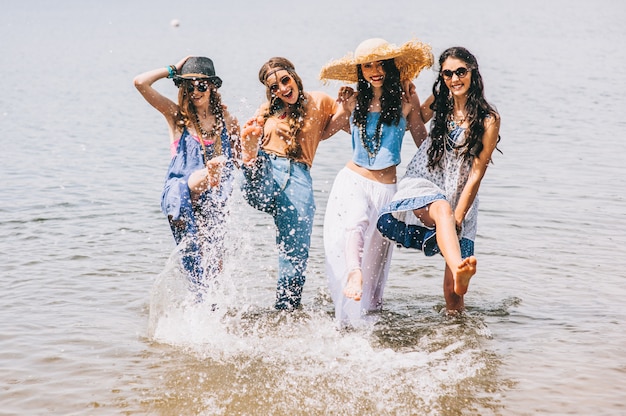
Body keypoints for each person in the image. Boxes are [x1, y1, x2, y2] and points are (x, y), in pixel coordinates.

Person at [319, 38, 433, 327]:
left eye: (380, 63)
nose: (375, 70)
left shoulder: (406, 102)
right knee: (354, 224)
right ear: (360, 71)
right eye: (367, 65)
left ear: (391, 66)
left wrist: (418, 106)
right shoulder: (355, 100)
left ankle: (364, 319)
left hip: (386, 188)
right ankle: (352, 273)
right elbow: (323, 134)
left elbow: (422, 143)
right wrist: (343, 111)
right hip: (353, 178)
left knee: (378, 258)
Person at [377, 46, 501, 312]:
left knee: (452, 295)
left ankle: (457, 331)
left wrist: (461, 214)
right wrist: (411, 96)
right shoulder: (439, 100)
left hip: (460, 193)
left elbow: (477, 173)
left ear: (473, 73)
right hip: (425, 180)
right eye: (447, 73)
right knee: (442, 210)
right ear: (442, 77)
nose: (454, 79)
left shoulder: (488, 119)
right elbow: (419, 122)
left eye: (460, 72)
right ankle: (459, 267)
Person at [240, 57, 349, 311]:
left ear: (294, 76)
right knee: (255, 174)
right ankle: (249, 156)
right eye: (274, 87)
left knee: (295, 253)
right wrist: (254, 138)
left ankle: (286, 310)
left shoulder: (319, 100)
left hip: (299, 177)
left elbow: (348, 129)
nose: (282, 89)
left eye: (285, 81)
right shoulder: (267, 109)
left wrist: (347, 108)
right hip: (267, 167)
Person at [134, 56, 240, 296]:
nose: (195, 91)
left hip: (211, 201)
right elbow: (140, 82)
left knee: (213, 267)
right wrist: (172, 70)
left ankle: (207, 314)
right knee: (193, 256)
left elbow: (241, 157)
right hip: (180, 194)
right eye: (188, 85)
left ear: (212, 86)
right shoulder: (177, 117)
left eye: (201, 85)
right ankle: (208, 173)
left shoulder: (226, 121)